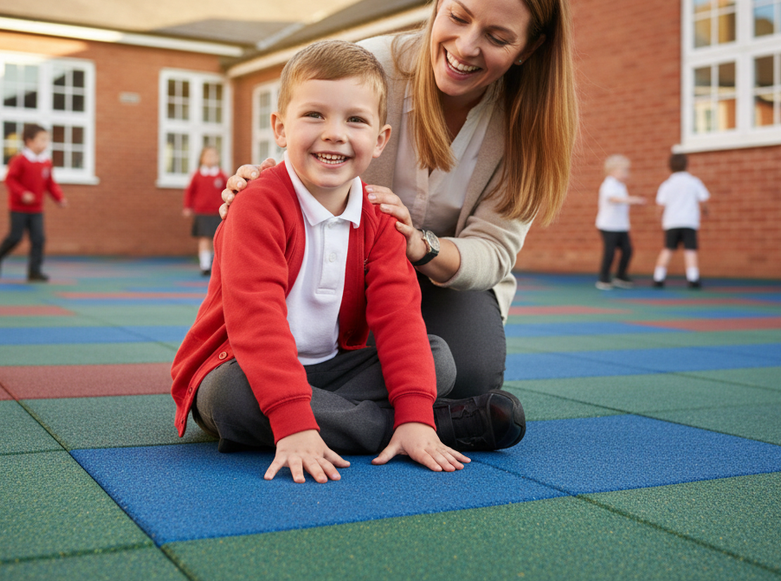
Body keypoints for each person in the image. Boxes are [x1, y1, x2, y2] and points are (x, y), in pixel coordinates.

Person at [222, 0, 577, 399]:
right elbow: (309, 143)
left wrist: (419, 246)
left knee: (466, 376)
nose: (466, 47)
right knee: (312, 366)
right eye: (458, 17)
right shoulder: (370, 69)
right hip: (347, 265)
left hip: (445, 280)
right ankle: (400, 418)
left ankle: (343, 409)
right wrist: (258, 183)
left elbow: (492, 252)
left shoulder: (530, 126)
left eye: (497, 37)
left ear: (529, 48)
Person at [171, 40, 525, 485]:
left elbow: (398, 318)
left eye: (354, 120)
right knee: (230, 399)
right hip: (242, 364)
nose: (334, 133)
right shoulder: (257, 206)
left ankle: (407, 422)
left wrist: (414, 410)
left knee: (437, 359)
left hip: (333, 370)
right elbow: (256, 322)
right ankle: (426, 425)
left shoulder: (380, 217)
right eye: (314, 115)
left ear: (380, 140)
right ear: (280, 128)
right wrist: (293, 422)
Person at [0, 124, 68, 282]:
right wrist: (22, 193)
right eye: (42, 140)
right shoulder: (20, 160)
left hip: (36, 209)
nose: (46, 143)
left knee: (39, 239)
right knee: (15, 237)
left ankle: (34, 271)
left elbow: (50, 184)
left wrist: (59, 198)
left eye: (47, 140)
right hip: (18, 208)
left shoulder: (46, 162)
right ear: (29, 141)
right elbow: (10, 180)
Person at [653, 153, 710, 289]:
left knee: (668, 249)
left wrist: (658, 216)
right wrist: (705, 211)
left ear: (670, 166)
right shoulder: (694, 182)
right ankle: (693, 278)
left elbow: (660, 205)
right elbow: (703, 200)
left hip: (671, 222)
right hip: (689, 222)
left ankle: (658, 277)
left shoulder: (667, 184)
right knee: (690, 250)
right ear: (686, 165)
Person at [595, 154, 646, 290]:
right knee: (610, 252)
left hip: (621, 225)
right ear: (612, 171)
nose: (626, 174)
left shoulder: (621, 186)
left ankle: (620, 276)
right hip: (608, 225)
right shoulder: (608, 184)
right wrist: (633, 200)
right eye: (624, 171)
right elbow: (613, 199)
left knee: (627, 250)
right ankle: (603, 278)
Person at [182, 147, 228, 275]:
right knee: (204, 239)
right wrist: (187, 207)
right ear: (202, 159)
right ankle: (205, 265)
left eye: (213, 155)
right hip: (202, 212)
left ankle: (215, 265)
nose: (211, 158)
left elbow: (228, 192)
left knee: (217, 239)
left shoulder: (222, 175)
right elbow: (189, 192)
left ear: (218, 158)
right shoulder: (197, 175)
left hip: (218, 213)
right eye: (208, 155)